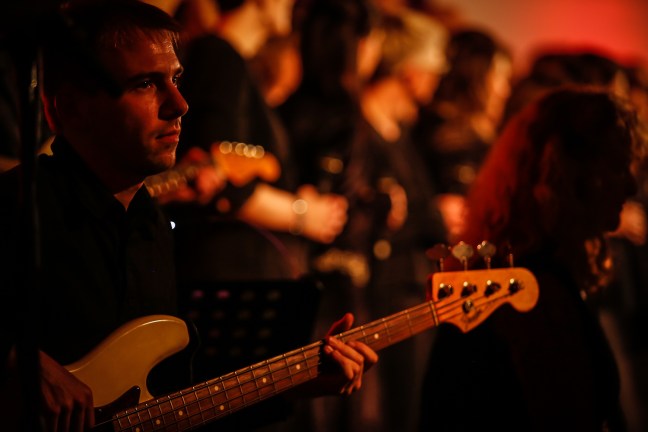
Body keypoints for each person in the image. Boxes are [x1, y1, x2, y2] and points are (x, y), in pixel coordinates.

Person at [0, 1, 377, 431]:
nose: (179, 104)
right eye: (145, 84)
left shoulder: (152, 227)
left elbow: (172, 403)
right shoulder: (18, 205)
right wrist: (16, 359)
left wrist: (296, 383)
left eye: (176, 79)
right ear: (66, 108)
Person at [419, 87, 647, 431]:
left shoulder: (546, 272)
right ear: (567, 175)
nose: (630, 186)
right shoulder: (525, 290)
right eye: (616, 167)